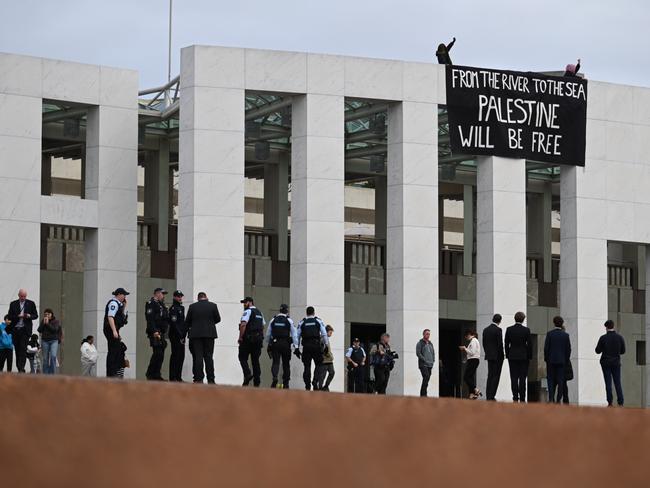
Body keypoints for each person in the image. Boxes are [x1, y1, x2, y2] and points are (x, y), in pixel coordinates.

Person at [185, 292, 221, 384]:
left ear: (198, 298)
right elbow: (218, 319)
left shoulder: (193, 306)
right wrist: (209, 324)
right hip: (209, 334)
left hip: (196, 335)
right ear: (206, 297)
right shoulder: (213, 306)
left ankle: (198, 378)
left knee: (198, 357)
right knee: (209, 357)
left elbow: (188, 321)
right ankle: (211, 379)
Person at [265, 303, 298, 389]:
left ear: (280, 310)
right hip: (285, 344)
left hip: (275, 343)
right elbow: (294, 334)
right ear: (287, 311)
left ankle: (275, 377)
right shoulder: (289, 320)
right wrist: (296, 346)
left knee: (275, 362)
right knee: (286, 364)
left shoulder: (273, 319)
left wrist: (269, 343)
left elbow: (268, 333)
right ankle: (286, 383)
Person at [296, 306, 329, 391]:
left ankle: (307, 385)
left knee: (307, 366)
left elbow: (297, 336)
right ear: (314, 313)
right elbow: (324, 334)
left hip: (306, 346)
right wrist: (326, 345)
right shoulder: (318, 320)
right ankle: (315, 381)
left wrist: (296, 348)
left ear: (306, 313)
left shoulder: (302, 322)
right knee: (319, 364)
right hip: (316, 346)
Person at [595, 319, 626, 407]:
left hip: (605, 363)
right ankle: (620, 402)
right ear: (613, 326)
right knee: (617, 382)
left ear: (606, 327)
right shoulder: (620, 337)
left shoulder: (603, 338)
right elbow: (623, 351)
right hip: (616, 362)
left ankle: (610, 402)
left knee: (608, 382)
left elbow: (597, 351)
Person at [7, 289, 38, 373]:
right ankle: (19, 367)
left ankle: (21, 368)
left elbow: (35, 315)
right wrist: (18, 316)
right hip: (16, 330)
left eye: (24, 296)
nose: (23, 298)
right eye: (21, 296)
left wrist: (29, 316)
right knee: (17, 349)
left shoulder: (31, 303)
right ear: (18, 295)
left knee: (23, 349)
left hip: (25, 330)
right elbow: (9, 316)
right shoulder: (13, 304)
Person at [238, 296, 265, 387]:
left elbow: (243, 325)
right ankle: (257, 381)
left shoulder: (248, 311)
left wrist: (240, 337)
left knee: (242, 357)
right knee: (255, 360)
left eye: (245, 303)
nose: (244, 305)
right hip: (258, 340)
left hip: (248, 339)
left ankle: (247, 374)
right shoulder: (259, 312)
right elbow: (262, 326)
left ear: (250, 302)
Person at [505, 311, 532, 403]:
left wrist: (508, 354)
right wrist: (529, 356)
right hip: (524, 357)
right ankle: (523, 398)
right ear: (523, 319)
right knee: (522, 378)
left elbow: (506, 343)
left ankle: (515, 397)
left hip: (512, 356)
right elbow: (529, 345)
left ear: (515, 319)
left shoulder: (509, 329)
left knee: (514, 378)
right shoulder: (526, 330)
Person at [544, 316, 571, 403]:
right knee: (561, 381)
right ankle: (559, 399)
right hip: (562, 362)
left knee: (550, 380)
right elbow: (568, 350)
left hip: (551, 361)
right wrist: (566, 360)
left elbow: (546, 348)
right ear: (562, 323)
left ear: (554, 323)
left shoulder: (549, 334)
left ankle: (551, 398)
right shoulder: (566, 335)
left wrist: (546, 359)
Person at [103, 288, 129, 378]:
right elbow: (110, 317)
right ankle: (111, 373)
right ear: (118, 294)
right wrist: (114, 331)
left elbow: (119, 317)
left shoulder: (119, 304)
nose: (124, 297)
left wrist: (124, 306)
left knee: (117, 350)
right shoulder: (113, 303)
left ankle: (114, 371)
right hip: (110, 329)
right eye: (123, 295)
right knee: (113, 351)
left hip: (114, 329)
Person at [145, 288, 169, 381]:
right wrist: (154, 331)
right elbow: (150, 319)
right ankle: (150, 373)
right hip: (155, 332)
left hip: (161, 332)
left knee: (161, 354)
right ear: (157, 294)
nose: (163, 296)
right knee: (157, 353)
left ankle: (157, 374)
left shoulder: (161, 304)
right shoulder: (151, 303)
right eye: (162, 294)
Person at [482, 314, 504, 401]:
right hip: (497, 357)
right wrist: (502, 356)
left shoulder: (486, 330)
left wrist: (487, 353)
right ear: (499, 321)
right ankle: (492, 396)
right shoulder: (498, 330)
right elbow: (500, 344)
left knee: (490, 375)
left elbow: (484, 343)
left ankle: (488, 395)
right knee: (496, 376)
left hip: (489, 356)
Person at [168, 290, 186, 382]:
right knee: (175, 355)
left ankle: (178, 376)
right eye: (178, 296)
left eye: (181, 296)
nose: (180, 298)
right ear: (174, 297)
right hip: (175, 335)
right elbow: (174, 323)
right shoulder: (173, 308)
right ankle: (173, 376)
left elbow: (183, 323)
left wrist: (184, 335)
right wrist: (180, 335)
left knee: (181, 356)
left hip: (181, 336)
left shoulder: (181, 308)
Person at [37, 308, 62, 375]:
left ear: (51, 314)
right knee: (45, 358)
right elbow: (39, 330)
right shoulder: (43, 321)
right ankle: (45, 374)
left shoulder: (56, 321)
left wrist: (47, 324)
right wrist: (44, 323)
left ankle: (52, 374)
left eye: (48, 314)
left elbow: (55, 330)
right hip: (45, 341)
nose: (47, 315)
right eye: (45, 314)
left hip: (54, 340)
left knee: (53, 356)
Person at [459, 329, 482, 399]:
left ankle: (475, 389)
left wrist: (464, 348)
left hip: (473, 360)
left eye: (466, 336)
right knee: (470, 377)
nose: (466, 338)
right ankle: (472, 393)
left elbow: (472, 352)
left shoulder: (474, 341)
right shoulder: (473, 341)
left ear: (469, 334)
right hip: (472, 360)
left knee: (466, 377)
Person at [315, 325, 335, 392]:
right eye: (330, 332)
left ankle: (326, 386)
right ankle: (320, 388)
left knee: (332, 372)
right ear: (327, 331)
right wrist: (328, 354)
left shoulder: (326, 338)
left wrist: (331, 356)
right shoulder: (323, 338)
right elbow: (322, 349)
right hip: (324, 360)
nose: (331, 334)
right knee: (322, 375)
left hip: (329, 360)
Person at [416, 329, 435, 397]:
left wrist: (433, 360)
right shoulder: (420, 343)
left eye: (429, 334)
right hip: (423, 364)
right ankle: (423, 395)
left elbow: (433, 353)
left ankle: (424, 394)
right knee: (426, 376)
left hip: (430, 364)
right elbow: (418, 353)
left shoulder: (430, 343)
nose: (428, 335)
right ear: (423, 334)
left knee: (426, 380)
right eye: (427, 334)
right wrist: (424, 359)